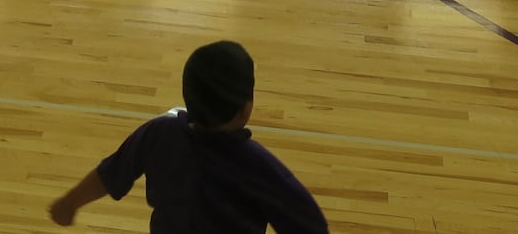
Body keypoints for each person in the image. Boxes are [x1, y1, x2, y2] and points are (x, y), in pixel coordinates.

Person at [47, 41, 329, 233]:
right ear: (246, 109)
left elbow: (110, 173)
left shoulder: (158, 134)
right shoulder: (260, 167)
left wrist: (69, 202)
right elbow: (311, 226)